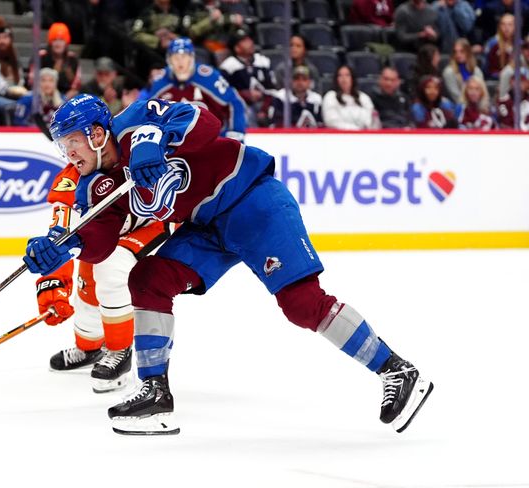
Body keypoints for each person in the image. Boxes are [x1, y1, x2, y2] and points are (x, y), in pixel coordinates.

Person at [23, 94, 434, 435]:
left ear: (96, 134)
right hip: (206, 227)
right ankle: (154, 393)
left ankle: (396, 369)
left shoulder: (136, 119)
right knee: (147, 279)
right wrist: (66, 246)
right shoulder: (95, 183)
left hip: (252, 200)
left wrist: (154, 139)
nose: (67, 153)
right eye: (63, 145)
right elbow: (102, 239)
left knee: (301, 303)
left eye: (71, 141)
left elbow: (206, 122)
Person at [33, 162, 174, 392]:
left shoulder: (129, 153)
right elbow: (60, 238)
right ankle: (89, 347)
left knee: (112, 266)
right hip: (106, 234)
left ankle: (120, 350)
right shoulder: (69, 181)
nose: (71, 151)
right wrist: (53, 288)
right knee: (87, 288)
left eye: (76, 140)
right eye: (64, 143)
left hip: (152, 224)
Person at [143, 37, 246, 141]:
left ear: (192, 58)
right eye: (176, 58)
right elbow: (148, 112)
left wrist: (235, 133)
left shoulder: (208, 77)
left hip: (211, 141)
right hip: (176, 145)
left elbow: (234, 102)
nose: (181, 63)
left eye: (184, 57)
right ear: (169, 60)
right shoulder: (160, 81)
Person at [219, 28, 276, 126]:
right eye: (245, 41)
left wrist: (264, 108)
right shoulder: (228, 66)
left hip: (265, 104)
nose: (250, 43)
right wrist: (244, 94)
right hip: (242, 106)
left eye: (250, 39)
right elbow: (223, 92)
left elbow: (272, 89)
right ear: (237, 48)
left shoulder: (263, 61)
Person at [30, 22, 81, 100]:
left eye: (61, 40)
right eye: (55, 40)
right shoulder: (40, 56)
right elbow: (32, 80)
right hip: (42, 95)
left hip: (65, 97)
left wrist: (64, 99)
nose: (58, 44)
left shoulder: (72, 59)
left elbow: (76, 85)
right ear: (50, 42)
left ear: (66, 42)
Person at [322, 65, 377, 130]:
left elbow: (372, 120)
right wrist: (355, 130)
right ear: (336, 79)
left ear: (352, 78)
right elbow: (331, 121)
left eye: (347, 75)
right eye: (340, 75)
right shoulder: (330, 96)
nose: (344, 78)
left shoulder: (364, 97)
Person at [442, 38, 484, 104]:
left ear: (468, 52)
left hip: (476, 104)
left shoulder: (476, 70)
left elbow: (482, 91)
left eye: (462, 51)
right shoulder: (449, 72)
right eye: (455, 52)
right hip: (457, 105)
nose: (458, 55)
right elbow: (455, 95)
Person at [496, 66, 529, 130]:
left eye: (522, 80)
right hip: (510, 137)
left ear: (527, 83)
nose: (517, 83)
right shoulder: (503, 102)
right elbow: (507, 123)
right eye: (514, 80)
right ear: (510, 82)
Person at [484, 13, 515, 79]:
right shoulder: (492, 43)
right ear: (499, 26)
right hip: (495, 79)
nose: (506, 28)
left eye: (510, 24)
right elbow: (487, 68)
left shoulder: (521, 44)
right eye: (503, 24)